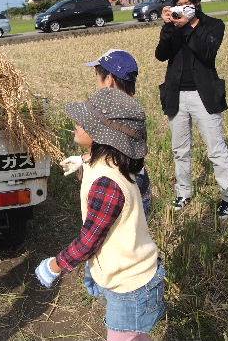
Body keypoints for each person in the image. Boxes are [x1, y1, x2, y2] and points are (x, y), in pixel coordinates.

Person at [36, 87, 165, 341]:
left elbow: (88, 241)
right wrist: (83, 161)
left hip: (131, 287)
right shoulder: (113, 162)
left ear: (101, 135)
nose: (76, 123)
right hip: (133, 278)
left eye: (84, 121)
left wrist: (54, 266)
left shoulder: (107, 184)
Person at [154, 0, 228, 220]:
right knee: (180, 150)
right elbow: (161, 55)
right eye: (179, 4)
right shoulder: (174, 27)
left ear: (197, 3)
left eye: (188, 3)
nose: (184, 7)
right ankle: (183, 192)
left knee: (216, 150)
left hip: (204, 95)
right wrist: (170, 26)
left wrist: (188, 26)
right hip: (176, 94)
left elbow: (207, 52)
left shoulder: (214, 25)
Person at [61, 49, 152, 218]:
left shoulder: (117, 114)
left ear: (109, 79)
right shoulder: (132, 109)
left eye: (97, 75)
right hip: (137, 185)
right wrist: (83, 160)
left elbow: (116, 154)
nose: (97, 81)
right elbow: (112, 149)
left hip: (122, 192)